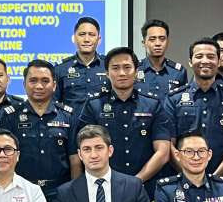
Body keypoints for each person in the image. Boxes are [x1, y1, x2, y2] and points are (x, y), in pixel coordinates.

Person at [77, 47, 172, 192]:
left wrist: (136, 181)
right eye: (115, 68)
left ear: (136, 72)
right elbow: (87, 151)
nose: (122, 73)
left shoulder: (153, 105)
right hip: (104, 188)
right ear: (107, 73)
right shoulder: (93, 106)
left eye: (127, 67)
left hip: (145, 187)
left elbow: (163, 152)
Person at [0, 59, 80, 202]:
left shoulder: (67, 116)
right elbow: (3, 158)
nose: (39, 86)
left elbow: (74, 159)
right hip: (20, 192)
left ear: (54, 85)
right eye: (33, 80)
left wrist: (74, 193)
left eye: (45, 81)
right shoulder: (10, 116)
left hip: (60, 193)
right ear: (24, 84)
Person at [166, 38, 223, 178]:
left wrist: (213, 179)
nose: (205, 61)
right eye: (199, 56)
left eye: (211, 57)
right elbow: (169, 145)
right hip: (181, 180)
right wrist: (190, 176)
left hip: (222, 180)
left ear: (218, 61)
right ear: (190, 61)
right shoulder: (174, 99)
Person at [54, 16, 108, 106]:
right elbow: (53, 104)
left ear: (99, 40)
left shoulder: (109, 66)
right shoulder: (60, 69)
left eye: (91, 35)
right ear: (74, 38)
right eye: (82, 34)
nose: (86, 39)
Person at [137, 19, 189, 97]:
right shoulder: (134, 69)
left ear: (167, 42)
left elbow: (183, 100)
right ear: (143, 43)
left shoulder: (178, 72)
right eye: (152, 39)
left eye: (162, 39)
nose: (158, 43)